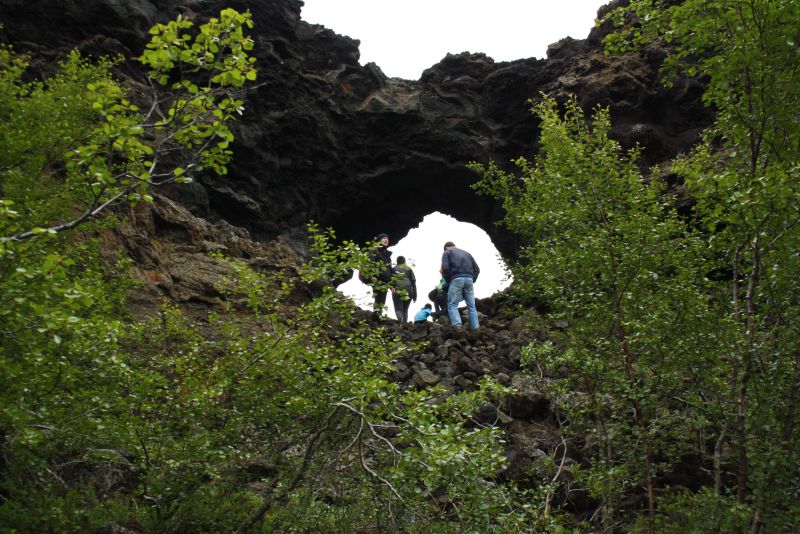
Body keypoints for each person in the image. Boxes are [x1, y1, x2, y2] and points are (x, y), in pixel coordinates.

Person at [440, 241, 480, 328]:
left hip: (456, 279)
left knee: (452, 304)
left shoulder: (447, 252)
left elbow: (445, 268)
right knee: (471, 306)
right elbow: (477, 269)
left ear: (446, 247)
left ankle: (458, 327)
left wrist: (448, 281)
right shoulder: (467, 253)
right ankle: (476, 328)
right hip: (469, 279)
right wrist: (473, 279)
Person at [367, 233, 393, 316]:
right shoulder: (374, 250)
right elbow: (370, 263)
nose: (386, 240)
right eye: (384, 238)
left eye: (387, 239)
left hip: (386, 281)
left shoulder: (387, 255)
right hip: (377, 279)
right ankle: (376, 319)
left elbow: (390, 270)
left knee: (382, 302)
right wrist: (373, 276)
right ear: (379, 240)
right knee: (379, 300)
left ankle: (378, 318)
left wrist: (392, 285)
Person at [391, 255, 417, 323]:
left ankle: (400, 322)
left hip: (397, 289)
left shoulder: (393, 269)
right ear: (404, 261)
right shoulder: (409, 269)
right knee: (405, 309)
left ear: (397, 262)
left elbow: (390, 281)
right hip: (409, 290)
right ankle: (404, 325)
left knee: (398, 309)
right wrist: (415, 295)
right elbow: (413, 282)